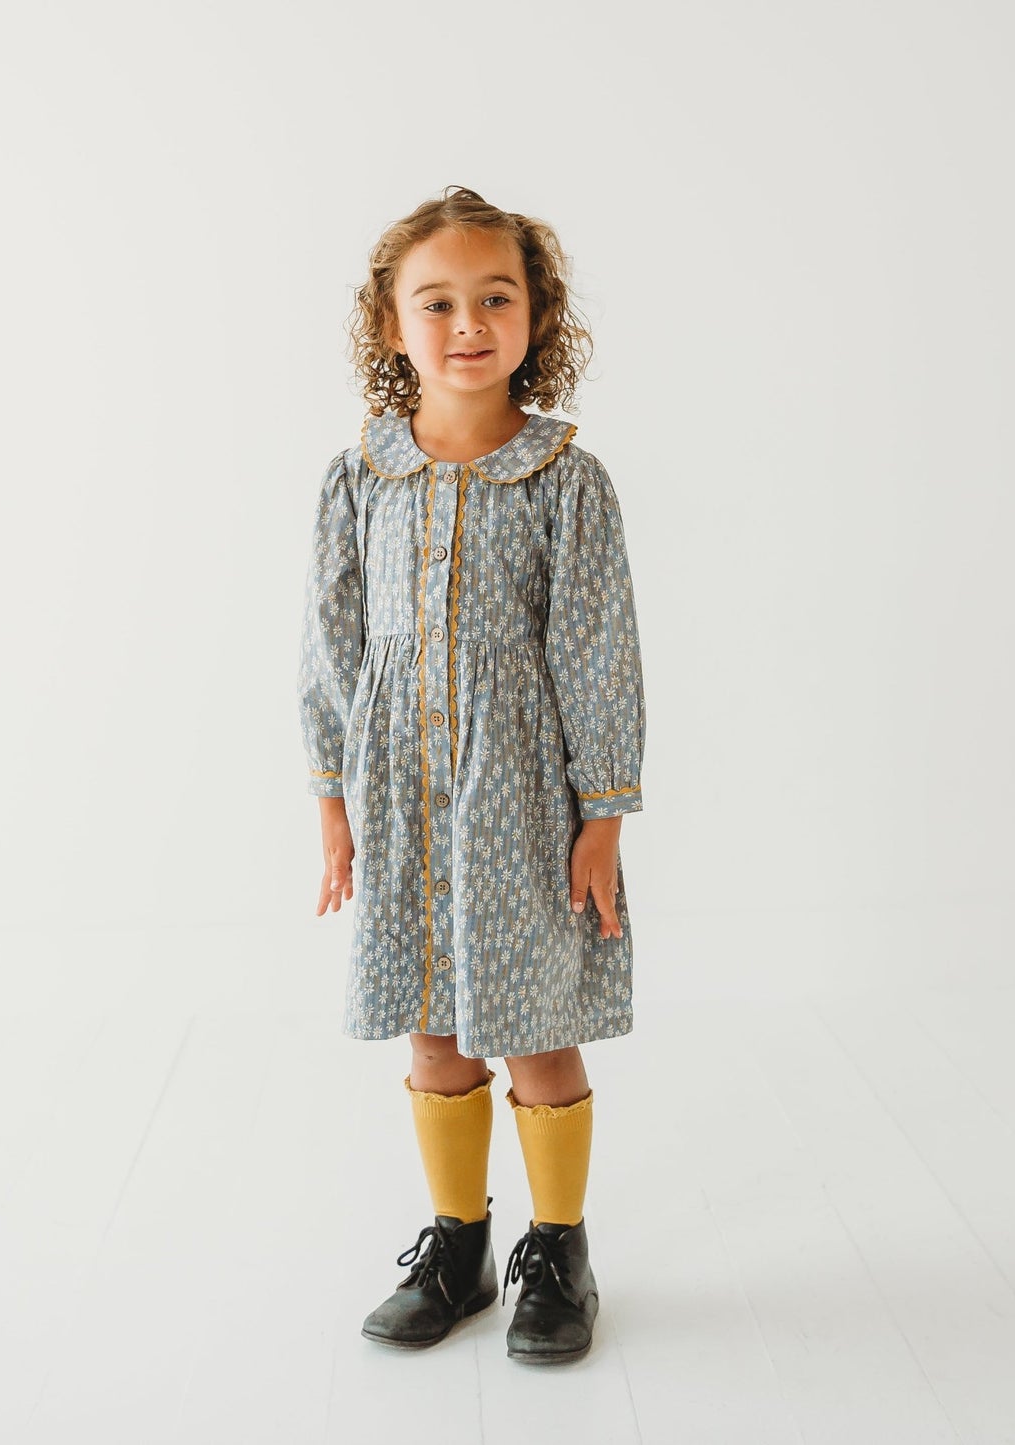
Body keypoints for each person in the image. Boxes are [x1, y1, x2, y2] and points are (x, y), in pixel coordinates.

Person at [296, 184, 645, 1365]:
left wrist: (601, 811)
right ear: (391, 325)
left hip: (518, 799)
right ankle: (457, 1241)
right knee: (434, 1031)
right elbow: (330, 646)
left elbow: (595, 650)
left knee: (534, 1024)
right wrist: (333, 795)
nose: (465, 322)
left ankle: (558, 1249)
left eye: (495, 297)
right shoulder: (359, 481)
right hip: (399, 797)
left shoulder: (561, 479)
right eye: (434, 301)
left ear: (534, 317)